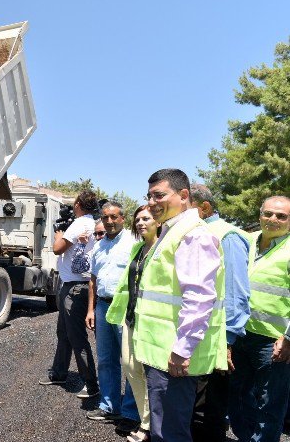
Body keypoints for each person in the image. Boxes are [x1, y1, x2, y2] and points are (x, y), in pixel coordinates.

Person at [135, 168, 226, 442]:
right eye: (149, 196)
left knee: (170, 433)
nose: (152, 202)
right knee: (165, 429)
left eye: (159, 195)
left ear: (184, 195)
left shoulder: (192, 235)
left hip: (174, 358)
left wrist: (181, 350)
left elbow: (199, 298)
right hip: (163, 353)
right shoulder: (172, 231)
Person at [188, 184, 252, 441]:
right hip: (198, 336)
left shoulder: (227, 236)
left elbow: (236, 295)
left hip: (216, 340)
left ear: (203, 207)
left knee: (209, 411)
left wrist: (227, 341)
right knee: (194, 409)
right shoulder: (196, 231)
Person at [228, 195, 290, 442]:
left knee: (269, 404)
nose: (273, 219)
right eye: (268, 213)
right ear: (259, 215)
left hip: (273, 341)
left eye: (281, 216)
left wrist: (288, 338)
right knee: (237, 397)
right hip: (240, 334)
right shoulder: (245, 241)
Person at [84, 201, 140, 435]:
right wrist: (90, 309)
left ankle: (131, 412)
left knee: (129, 361)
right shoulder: (98, 246)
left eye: (114, 217)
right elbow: (93, 280)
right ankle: (109, 406)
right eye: (105, 217)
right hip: (103, 306)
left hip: (124, 307)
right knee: (106, 359)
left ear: (122, 218)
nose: (109, 221)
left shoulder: (133, 242)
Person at [40, 190, 99, 400]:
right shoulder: (92, 223)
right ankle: (59, 373)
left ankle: (91, 384)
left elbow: (57, 248)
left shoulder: (80, 224)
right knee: (63, 333)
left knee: (76, 337)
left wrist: (58, 234)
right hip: (77, 285)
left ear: (78, 204)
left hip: (75, 288)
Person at [107, 205, 159, 442]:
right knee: (130, 368)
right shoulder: (138, 248)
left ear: (158, 221)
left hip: (151, 322)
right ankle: (145, 418)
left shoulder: (162, 248)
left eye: (146, 218)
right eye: (137, 219)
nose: (140, 223)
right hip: (131, 318)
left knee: (150, 374)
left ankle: (149, 425)